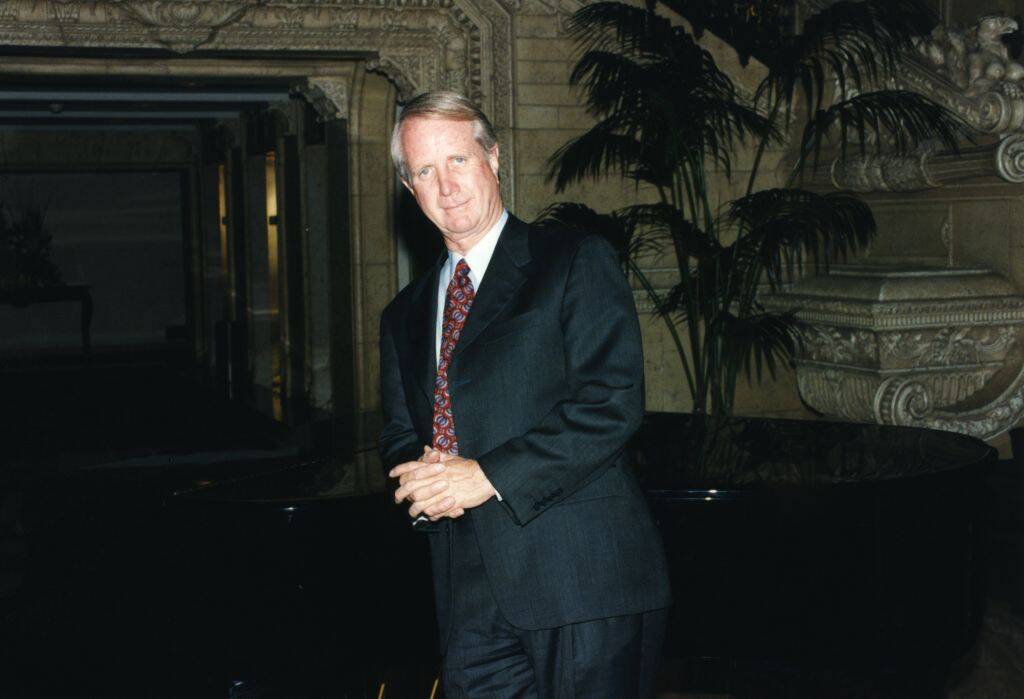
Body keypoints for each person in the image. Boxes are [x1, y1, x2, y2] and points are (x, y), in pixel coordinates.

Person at [378, 91, 671, 698]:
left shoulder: (572, 260)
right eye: (425, 171)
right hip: (464, 593)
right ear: (410, 189)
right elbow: (401, 434)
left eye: (458, 160)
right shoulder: (402, 313)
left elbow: (610, 402)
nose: (446, 186)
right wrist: (424, 484)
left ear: (493, 158)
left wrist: (485, 476)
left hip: (580, 581)